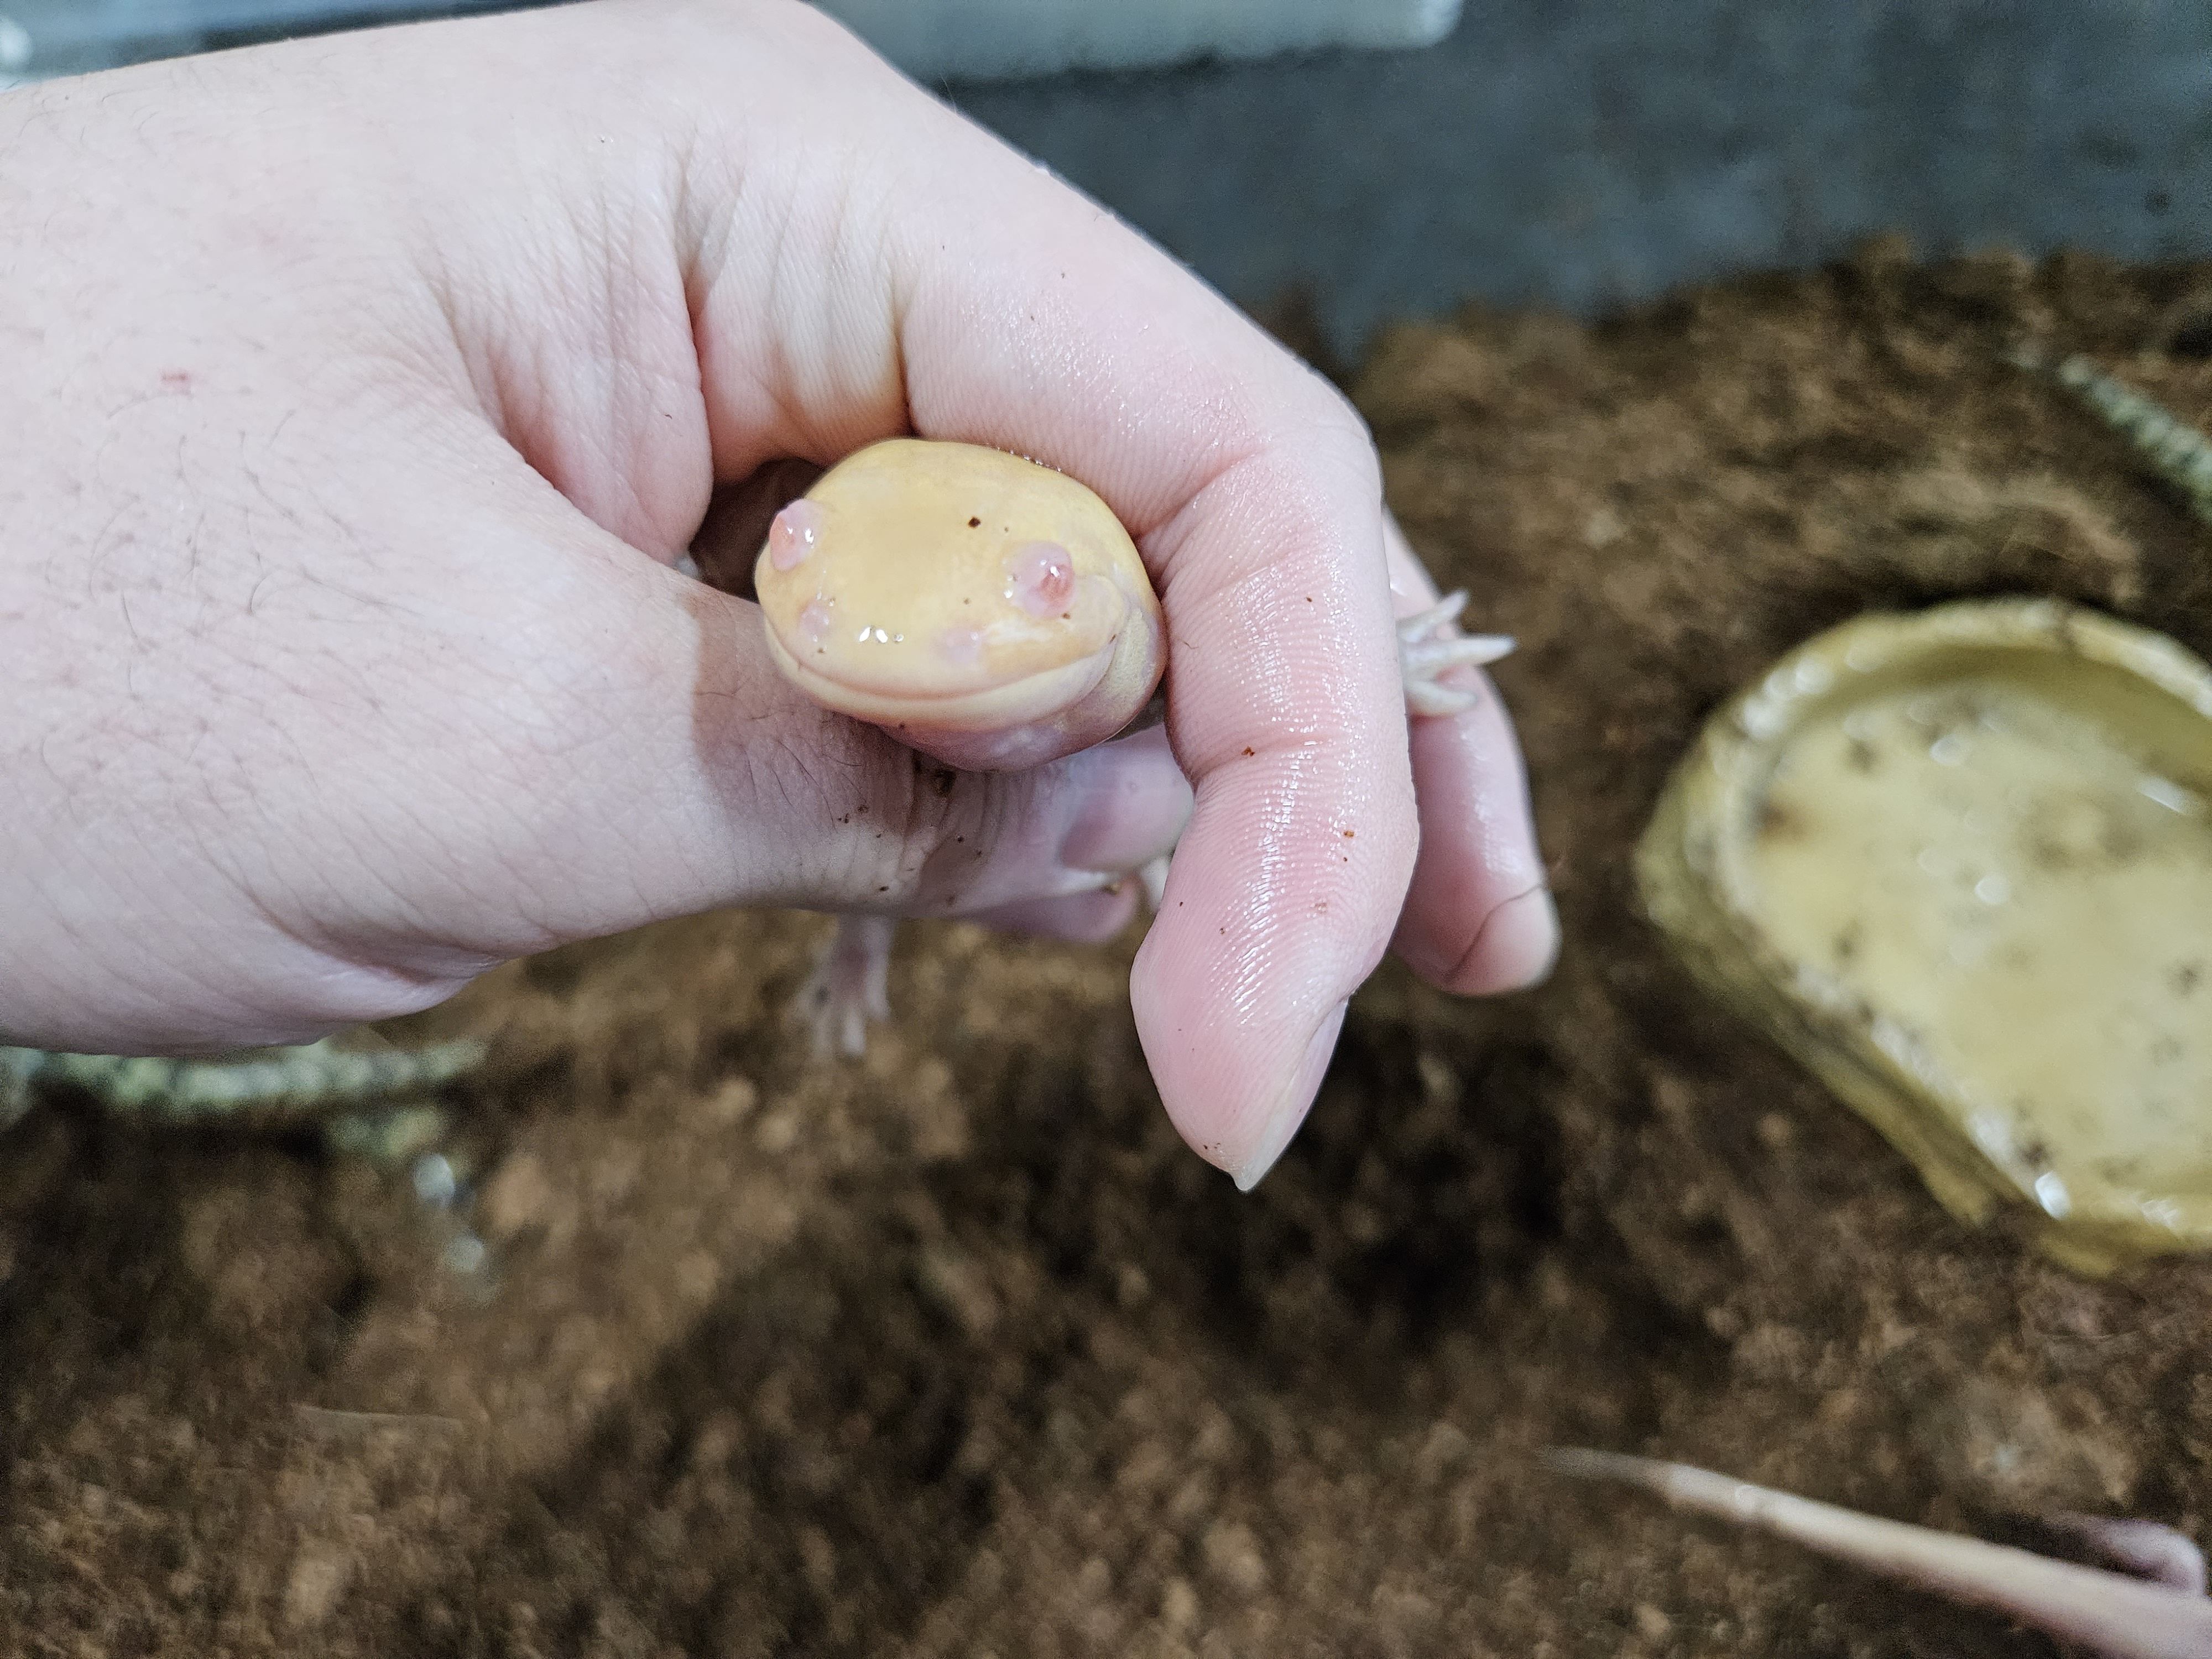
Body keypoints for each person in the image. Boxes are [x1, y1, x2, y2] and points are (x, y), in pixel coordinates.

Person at [0, 0, 1553, 1190]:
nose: (825, 612)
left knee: (1039, 837)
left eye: (1033, 589)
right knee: (911, 855)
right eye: (785, 557)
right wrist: (859, 918)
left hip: (1089, 781)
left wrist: (1397, 654)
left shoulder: (1142, 619)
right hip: (1045, 827)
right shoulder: (814, 590)